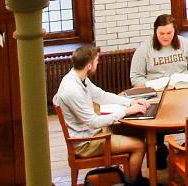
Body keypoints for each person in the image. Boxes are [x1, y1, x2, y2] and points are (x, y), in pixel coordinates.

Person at [54, 43, 152, 177]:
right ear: (89, 65)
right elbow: (93, 122)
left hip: (93, 132)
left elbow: (102, 95)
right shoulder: (73, 90)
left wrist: (131, 102)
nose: (97, 64)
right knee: (139, 146)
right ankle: (129, 183)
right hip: (87, 142)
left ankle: (133, 177)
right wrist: (126, 112)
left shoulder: (79, 77)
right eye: (96, 61)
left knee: (139, 131)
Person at [130, 14, 188, 85]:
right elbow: (136, 78)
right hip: (156, 91)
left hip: (183, 87)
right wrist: (153, 85)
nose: (165, 37)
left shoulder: (186, 44)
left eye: (169, 33)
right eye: (161, 33)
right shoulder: (143, 49)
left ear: (174, 31)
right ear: (155, 32)